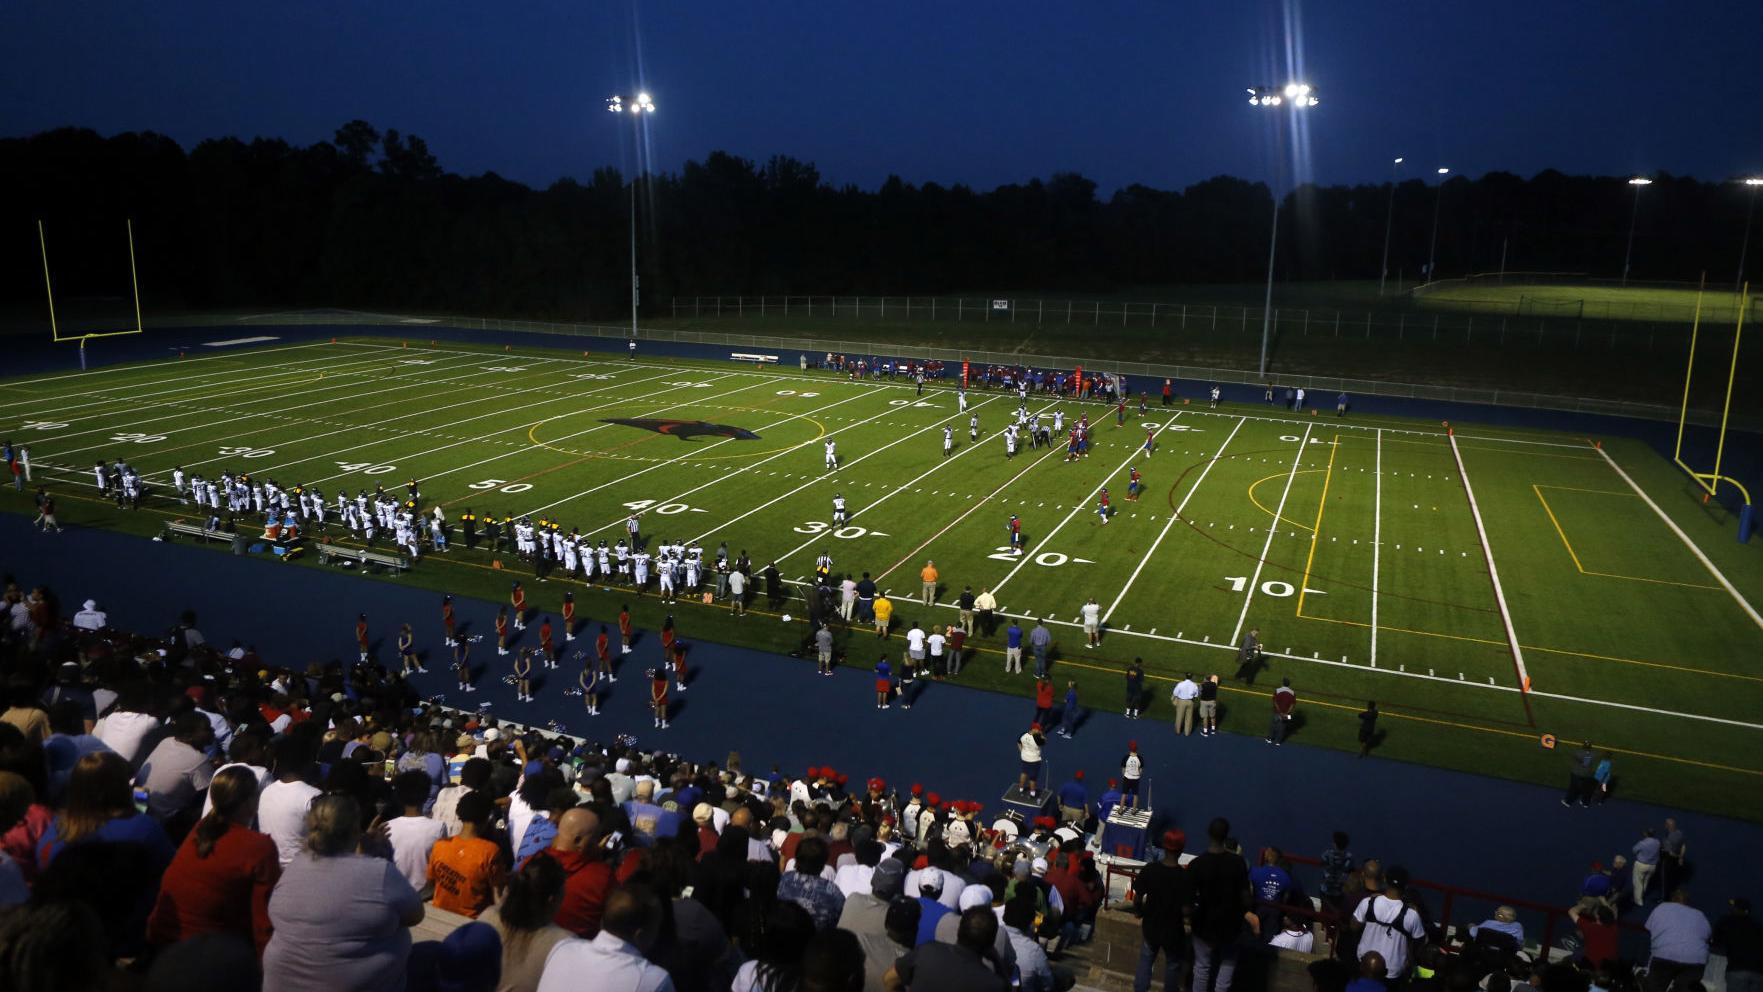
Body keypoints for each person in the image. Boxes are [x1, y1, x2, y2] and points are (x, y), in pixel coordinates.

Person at [262, 794, 425, 992]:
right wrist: (380, 857)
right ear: (356, 829)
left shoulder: (296, 866)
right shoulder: (379, 872)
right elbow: (415, 914)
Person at [145, 765, 280, 956]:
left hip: (162, 937)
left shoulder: (201, 830)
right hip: (203, 952)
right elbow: (263, 921)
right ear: (251, 801)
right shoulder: (259, 847)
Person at [535, 882, 675, 992]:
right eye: (656, 928)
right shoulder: (654, 981)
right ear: (640, 935)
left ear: (603, 921)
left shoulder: (562, 949)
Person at [1190, 817, 1257, 992]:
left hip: (1203, 925)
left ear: (1208, 834)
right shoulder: (1238, 863)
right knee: (1226, 969)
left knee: (1201, 969)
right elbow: (1246, 897)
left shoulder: (1197, 864)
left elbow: (1188, 897)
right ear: (1227, 836)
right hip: (1231, 926)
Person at [885, 905, 1011, 991]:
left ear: (959, 930)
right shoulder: (993, 984)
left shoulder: (928, 951)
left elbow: (889, 980)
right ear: (990, 943)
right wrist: (996, 960)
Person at [430, 790, 506, 919]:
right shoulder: (490, 851)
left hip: (440, 913)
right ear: (487, 818)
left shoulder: (440, 845)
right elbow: (497, 891)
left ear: (459, 814)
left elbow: (432, 880)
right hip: (471, 919)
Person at [1132, 829, 1191, 992]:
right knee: (1172, 965)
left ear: (1164, 847)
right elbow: (1186, 910)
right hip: (1173, 931)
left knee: (1145, 961)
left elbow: (1137, 898)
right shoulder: (1185, 877)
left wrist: (1139, 911)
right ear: (1180, 849)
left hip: (1151, 926)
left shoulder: (1150, 869)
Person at [1350, 866, 1427, 984]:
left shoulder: (1368, 903)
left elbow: (1353, 926)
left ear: (1385, 880)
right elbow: (1420, 941)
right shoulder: (1412, 915)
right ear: (1406, 886)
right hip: (1392, 972)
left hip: (1365, 965)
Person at [1645, 888, 1712, 992]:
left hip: (1665, 956)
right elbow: (1707, 936)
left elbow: (1649, 928)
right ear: (1688, 901)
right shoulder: (1700, 915)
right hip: (1696, 960)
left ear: (1672, 898)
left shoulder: (1662, 908)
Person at [1712, 897, 1763, 992]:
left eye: (1733, 907)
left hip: (1737, 969)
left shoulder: (1726, 922)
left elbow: (1716, 943)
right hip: (1759, 971)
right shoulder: (1758, 925)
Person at [1563, 741, 1596, 807]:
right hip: (1587, 775)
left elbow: (1584, 763)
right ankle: (1585, 803)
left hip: (1577, 774)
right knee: (1586, 790)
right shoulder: (1592, 754)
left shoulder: (1578, 752)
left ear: (1583, 746)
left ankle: (1568, 802)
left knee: (1573, 789)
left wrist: (1578, 759)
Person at [1267, 677, 1295, 746]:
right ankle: (1278, 742)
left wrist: (1280, 712)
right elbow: (1292, 705)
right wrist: (1287, 713)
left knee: (1274, 725)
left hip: (1277, 712)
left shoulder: (1277, 690)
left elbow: (1275, 702)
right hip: (1287, 714)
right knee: (1283, 727)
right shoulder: (1292, 692)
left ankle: (1270, 739)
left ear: (1283, 683)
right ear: (1289, 684)